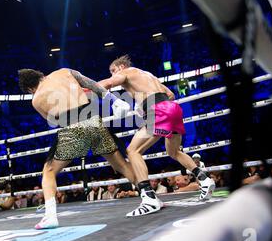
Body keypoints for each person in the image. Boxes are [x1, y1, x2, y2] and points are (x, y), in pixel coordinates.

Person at [18, 68, 163, 229]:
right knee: (120, 164)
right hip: (94, 121)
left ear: (30, 89)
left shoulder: (36, 99)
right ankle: (149, 197)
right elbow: (91, 84)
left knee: (49, 171)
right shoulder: (64, 71)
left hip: (72, 127)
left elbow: (54, 119)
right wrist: (114, 100)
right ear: (41, 75)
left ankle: (50, 216)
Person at [99, 55, 215, 201]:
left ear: (121, 67)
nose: (113, 74)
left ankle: (148, 198)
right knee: (173, 152)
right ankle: (204, 179)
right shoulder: (148, 75)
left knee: (133, 151)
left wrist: (88, 87)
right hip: (172, 108)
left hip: (158, 110)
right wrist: (145, 105)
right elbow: (170, 94)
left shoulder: (126, 72)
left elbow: (108, 83)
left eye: (113, 70)